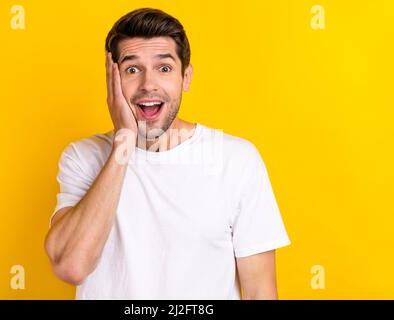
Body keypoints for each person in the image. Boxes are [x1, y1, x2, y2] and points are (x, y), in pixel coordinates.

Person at [44, 7, 291, 300]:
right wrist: (124, 142)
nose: (148, 84)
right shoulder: (82, 158)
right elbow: (71, 266)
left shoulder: (237, 161)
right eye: (132, 70)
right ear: (113, 81)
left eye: (164, 68)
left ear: (185, 77)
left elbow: (260, 293)